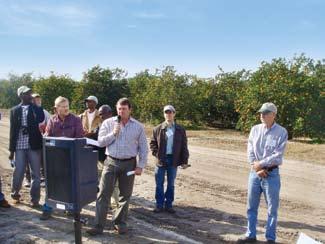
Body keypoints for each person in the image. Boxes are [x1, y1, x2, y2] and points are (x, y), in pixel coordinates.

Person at [87, 98, 148, 235]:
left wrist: (141, 166)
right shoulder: (108, 123)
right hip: (111, 162)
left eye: (124, 109)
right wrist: (113, 134)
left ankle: (119, 223)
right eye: (119, 109)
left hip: (129, 164)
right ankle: (98, 225)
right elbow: (101, 143)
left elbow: (143, 148)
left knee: (124, 196)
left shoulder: (138, 126)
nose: (121, 111)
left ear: (130, 110)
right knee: (103, 194)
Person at [237, 103, 288, 244]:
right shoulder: (255, 129)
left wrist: (262, 164)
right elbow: (250, 149)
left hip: (272, 175)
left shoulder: (282, 132)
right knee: (251, 206)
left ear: (273, 114)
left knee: (272, 209)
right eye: (261, 112)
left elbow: (278, 155)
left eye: (266, 112)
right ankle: (250, 235)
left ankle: (270, 239)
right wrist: (256, 167)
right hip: (255, 173)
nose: (262, 115)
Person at [40, 96, 84, 220]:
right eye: (63, 107)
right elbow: (47, 138)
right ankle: (48, 208)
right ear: (56, 108)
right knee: (52, 184)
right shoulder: (52, 120)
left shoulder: (76, 120)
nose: (66, 109)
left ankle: (71, 209)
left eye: (67, 106)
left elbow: (80, 138)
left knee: (71, 185)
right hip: (55, 159)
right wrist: (44, 135)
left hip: (71, 158)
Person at [9, 86, 44, 208]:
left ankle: (35, 199)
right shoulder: (14, 110)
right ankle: (15, 194)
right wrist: (11, 150)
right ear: (20, 96)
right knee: (18, 171)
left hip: (34, 145)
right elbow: (12, 131)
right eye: (27, 94)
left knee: (36, 174)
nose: (30, 95)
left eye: (30, 93)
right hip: (19, 145)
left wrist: (36, 105)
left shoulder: (35, 108)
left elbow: (41, 119)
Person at [150, 105, 190, 214]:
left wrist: (184, 161)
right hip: (161, 160)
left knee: (171, 184)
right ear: (164, 114)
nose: (168, 114)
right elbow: (153, 144)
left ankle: (168, 205)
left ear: (174, 114)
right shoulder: (157, 129)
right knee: (159, 184)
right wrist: (157, 154)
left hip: (173, 160)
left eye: (170, 112)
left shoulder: (180, 129)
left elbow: (184, 146)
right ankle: (159, 205)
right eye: (166, 112)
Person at [24, 93, 51, 188]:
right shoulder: (27, 112)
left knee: (43, 159)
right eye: (35, 100)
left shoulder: (45, 113)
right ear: (32, 101)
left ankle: (43, 178)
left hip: (42, 140)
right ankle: (27, 178)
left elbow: (50, 126)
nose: (37, 101)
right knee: (28, 159)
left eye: (39, 100)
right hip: (29, 140)